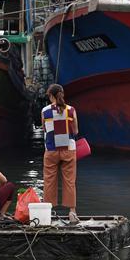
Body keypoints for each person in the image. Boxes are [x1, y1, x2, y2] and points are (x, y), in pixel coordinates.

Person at [41, 83, 79, 223]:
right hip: (68, 149)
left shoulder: (45, 110)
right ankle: (72, 213)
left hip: (51, 150)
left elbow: (45, 129)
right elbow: (75, 131)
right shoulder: (71, 110)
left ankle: (48, 213)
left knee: (49, 181)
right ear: (62, 94)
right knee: (69, 181)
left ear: (51, 96)